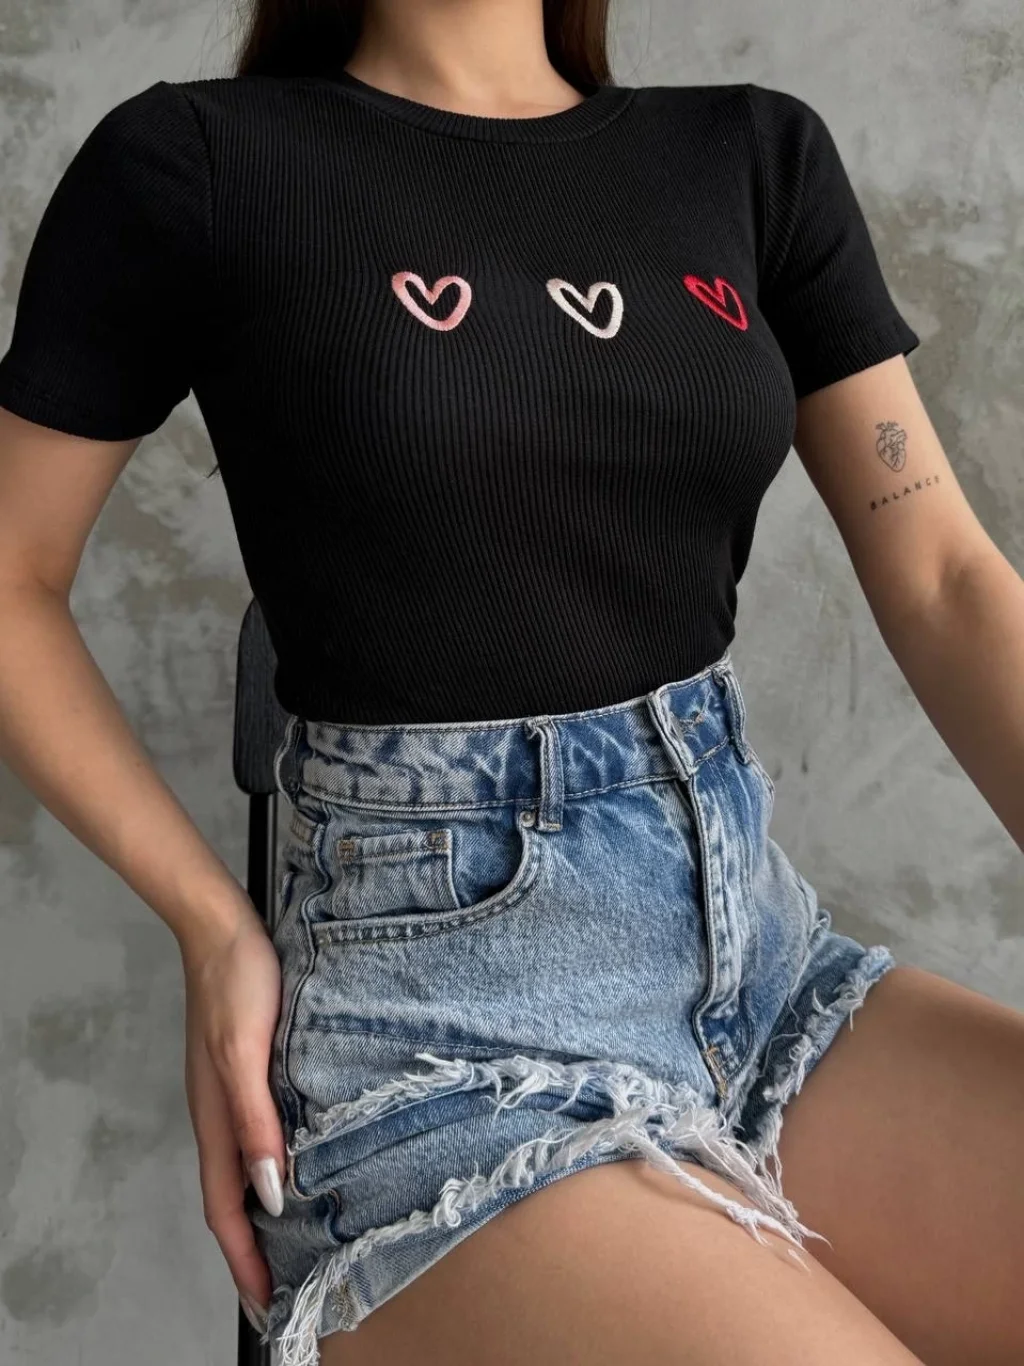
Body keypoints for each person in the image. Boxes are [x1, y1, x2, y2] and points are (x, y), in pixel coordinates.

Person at [0, 1, 1021, 1363]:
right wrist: (210, 921)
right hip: (438, 1034)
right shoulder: (200, 162)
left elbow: (945, 577)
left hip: (765, 972)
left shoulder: (751, 156)